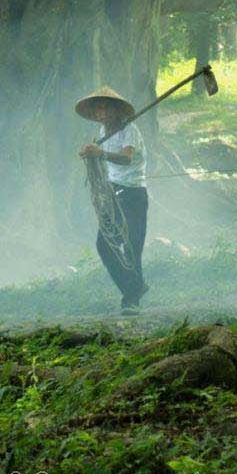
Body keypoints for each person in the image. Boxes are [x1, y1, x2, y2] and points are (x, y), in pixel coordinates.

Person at [75, 87, 149, 314]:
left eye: (107, 106)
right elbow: (102, 164)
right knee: (104, 245)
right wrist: (92, 155)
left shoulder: (129, 130)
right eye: (98, 108)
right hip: (112, 193)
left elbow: (126, 159)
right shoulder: (102, 133)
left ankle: (131, 298)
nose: (102, 111)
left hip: (133, 193)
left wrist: (101, 154)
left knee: (131, 244)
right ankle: (135, 287)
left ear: (117, 110)